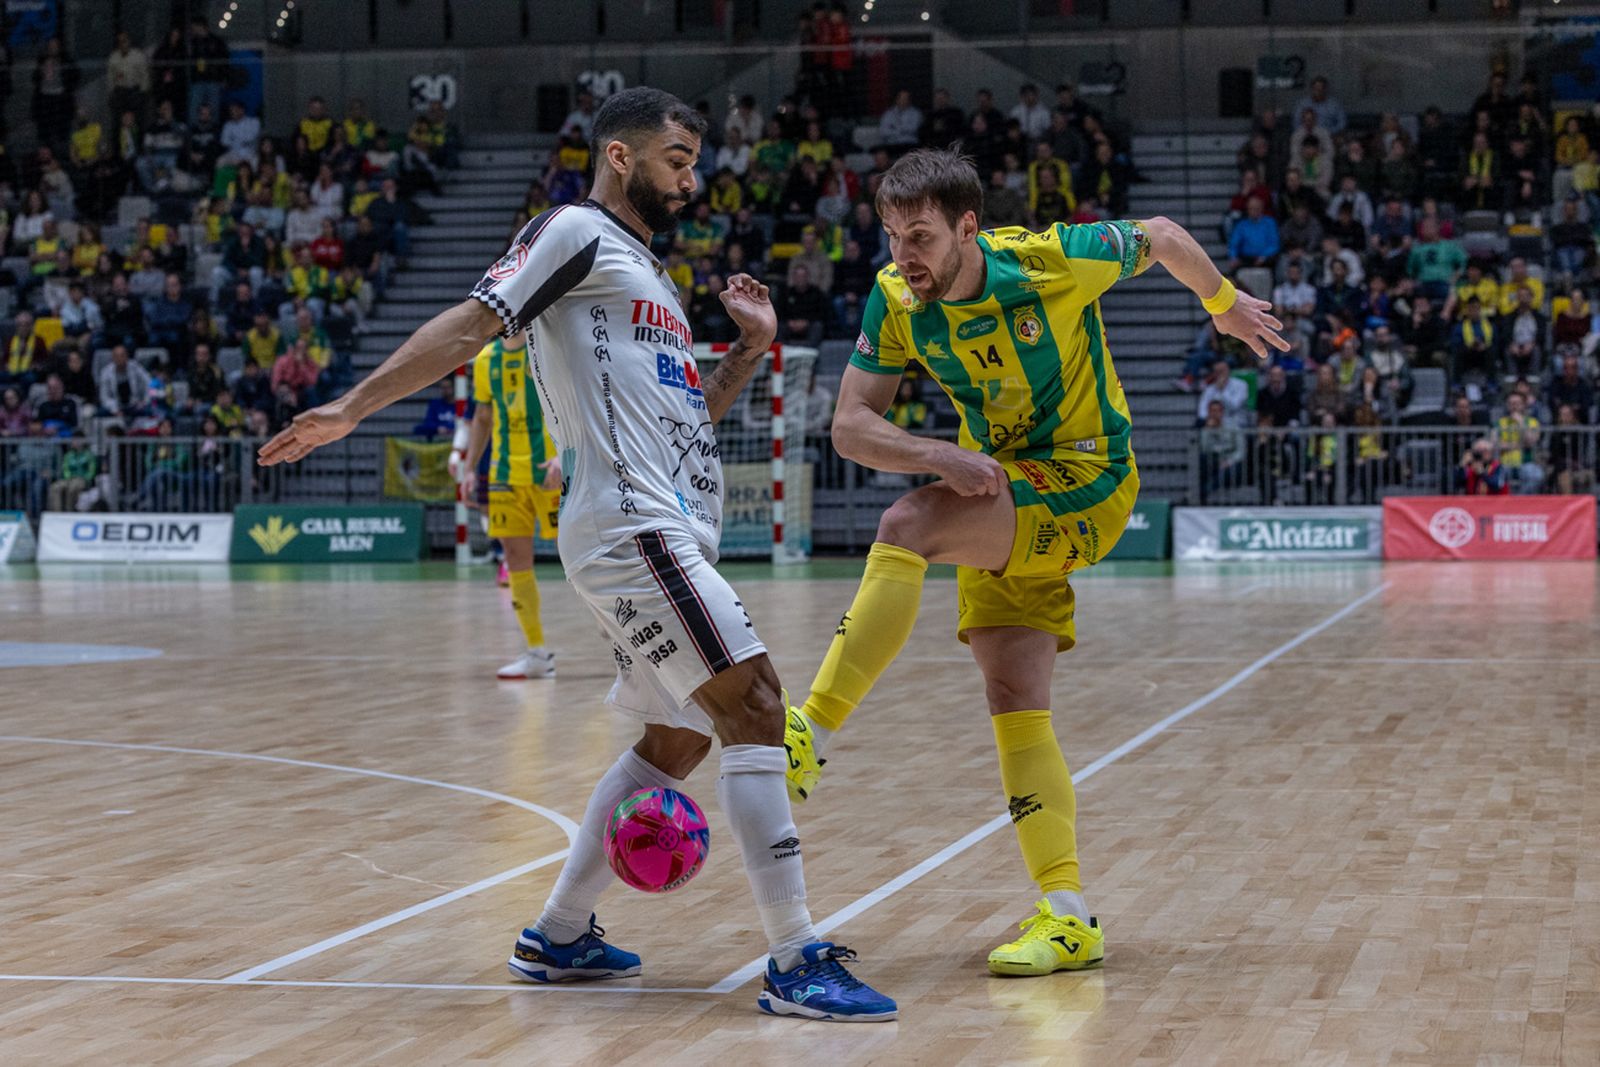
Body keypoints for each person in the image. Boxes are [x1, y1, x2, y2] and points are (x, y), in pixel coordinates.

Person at [257, 85, 894, 1022]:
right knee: (757, 703)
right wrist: (351, 407)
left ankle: (556, 935)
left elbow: (683, 420)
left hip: (660, 522)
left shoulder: (646, 276)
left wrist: (747, 356)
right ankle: (796, 959)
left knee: (675, 738)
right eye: (679, 158)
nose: (694, 176)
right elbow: (472, 323)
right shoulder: (572, 231)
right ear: (622, 156)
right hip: (633, 527)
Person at [781, 148, 1287, 980]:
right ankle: (1069, 913)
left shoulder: (1048, 262)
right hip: (999, 488)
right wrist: (939, 453)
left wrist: (1224, 303)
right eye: (892, 236)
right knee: (1013, 696)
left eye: (921, 236)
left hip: (1089, 481)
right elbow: (850, 427)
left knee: (908, 522)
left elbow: (1159, 234)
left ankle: (810, 732)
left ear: (967, 228)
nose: (904, 255)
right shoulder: (896, 299)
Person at [459, 329, 562, 679]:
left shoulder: (548, 349)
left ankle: (620, 643)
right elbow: (483, 417)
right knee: (515, 562)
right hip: (505, 472)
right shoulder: (487, 359)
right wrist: (470, 467)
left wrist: (567, 455)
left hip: (550, 470)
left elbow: (573, 402)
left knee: (581, 558)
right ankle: (536, 652)